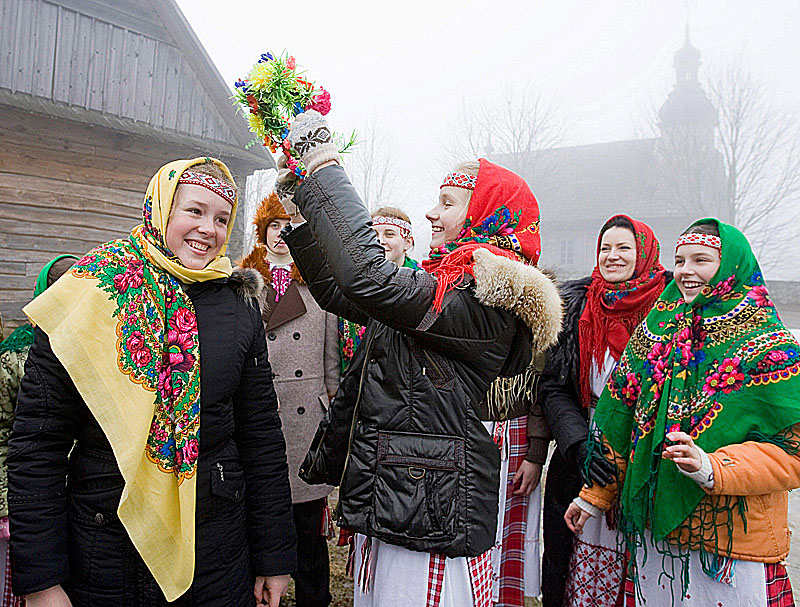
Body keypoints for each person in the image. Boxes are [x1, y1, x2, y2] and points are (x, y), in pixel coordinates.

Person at [278, 109, 563, 607]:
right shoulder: (447, 284)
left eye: (447, 203)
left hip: (426, 503)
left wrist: (324, 167)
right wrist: (304, 209)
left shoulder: (486, 299)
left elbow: (366, 279)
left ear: (486, 216)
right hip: (405, 485)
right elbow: (337, 293)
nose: (432, 213)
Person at [8, 158, 297, 607]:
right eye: (195, 211)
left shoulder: (238, 305)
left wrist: (274, 557)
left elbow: (260, 437)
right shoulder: (90, 293)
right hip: (103, 543)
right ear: (160, 209)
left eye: (222, 219)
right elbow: (36, 444)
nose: (208, 229)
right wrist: (42, 580)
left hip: (215, 545)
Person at [566, 219, 800, 606]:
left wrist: (711, 466)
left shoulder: (769, 345)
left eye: (701, 260)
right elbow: (622, 422)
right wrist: (595, 495)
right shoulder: (657, 333)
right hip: (657, 539)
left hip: (729, 543)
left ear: (732, 266)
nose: (687, 271)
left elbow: (792, 450)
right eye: (680, 260)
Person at [539, 215, 669, 607]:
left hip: (645, 451)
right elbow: (554, 387)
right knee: (572, 558)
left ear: (644, 253)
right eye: (605, 249)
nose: (612, 257)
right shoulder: (576, 306)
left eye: (623, 248)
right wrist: (578, 445)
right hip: (582, 446)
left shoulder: (671, 309)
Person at [240, 192, 340, 607]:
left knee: (308, 534)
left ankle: (314, 597)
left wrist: (332, 405)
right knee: (257, 521)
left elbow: (330, 355)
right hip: (259, 413)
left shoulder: (320, 283)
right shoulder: (240, 282)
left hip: (305, 422)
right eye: (275, 225)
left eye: (290, 226)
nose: (282, 234)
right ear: (262, 230)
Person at [0, 255, 78, 607]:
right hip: (26, 502)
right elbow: (5, 435)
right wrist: (7, 505)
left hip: (77, 500)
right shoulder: (16, 356)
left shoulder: (94, 347)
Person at [337, 207, 420, 374]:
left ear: (408, 242)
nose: (380, 240)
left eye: (389, 234)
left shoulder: (422, 285)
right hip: (354, 381)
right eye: (373, 234)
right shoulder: (350, 281)